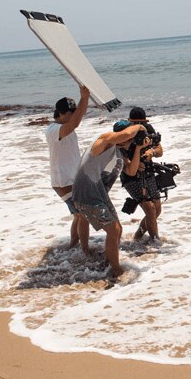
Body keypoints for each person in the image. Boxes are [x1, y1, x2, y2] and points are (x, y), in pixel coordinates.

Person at [71, 119, 147, 278]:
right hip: (87, 194)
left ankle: (109, 259)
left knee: (117, 229)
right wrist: (140, 126)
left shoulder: (120, 153)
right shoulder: (104, 142)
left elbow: (131, 172)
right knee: (114, 230)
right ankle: (116, 269)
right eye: (130, 137)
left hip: (99, 195)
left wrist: (139, 149)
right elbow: (125, 134)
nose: (131, 140)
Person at [45, 85, 91, 254]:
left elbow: (78, 117)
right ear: (61, 113)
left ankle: (73, 246)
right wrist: (84, 98)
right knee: (84, 215)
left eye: (74, 112)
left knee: (78, 216)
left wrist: (84, 98)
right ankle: (85, 250)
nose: (74, 115)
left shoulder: (67, 124)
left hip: (69, 179)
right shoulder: (54, 130)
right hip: (64, 181)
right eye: (70, 113)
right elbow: (74, 124)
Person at [122, 106, 165, 241]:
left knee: (157, 209)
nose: (140, 126)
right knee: (149, 208)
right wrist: (134, 162)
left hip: (148, 173)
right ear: (130, 122)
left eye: (143, 123)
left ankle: (138, 236)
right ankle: (155, 240)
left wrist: (151, 152)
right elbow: (120, 154)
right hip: (131, 177)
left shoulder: (149, 130)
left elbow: (159, 150)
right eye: (136, 123)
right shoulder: (125, 132)